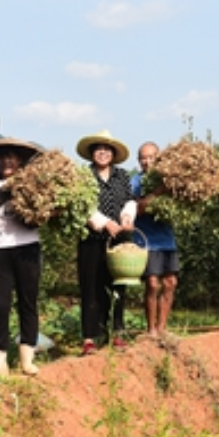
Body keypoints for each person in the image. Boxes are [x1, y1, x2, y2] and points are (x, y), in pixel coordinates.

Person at [0, 137, 44, 376]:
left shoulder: (33, 186)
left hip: (28, 247)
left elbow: (34, 220)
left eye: (13, 157)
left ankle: (26, 359)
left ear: (20, 161)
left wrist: (25, 188)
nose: (8, 161)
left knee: (28, 303)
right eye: (3, 157)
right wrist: (13, 186)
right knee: (0, 304)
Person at [76, 130, 136, 355]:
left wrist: (127, 218)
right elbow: (81, 205)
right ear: (92, 153)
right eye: (98, 149)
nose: (103, 152)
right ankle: (90, 338)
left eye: (107, 149)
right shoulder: (84, 176)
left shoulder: (121, 176)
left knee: (118, 285)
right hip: (92, 240)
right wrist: (103, 223)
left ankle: (117, 333)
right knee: (91, 287)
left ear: (113, 154)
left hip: (120, 240)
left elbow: (130, 201)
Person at [131, 141, 179, 339]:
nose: (147, 161)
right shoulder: (135, 182)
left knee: (170, 283)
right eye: (143, 158)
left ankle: (162, 328)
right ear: (139, 160)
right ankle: (150, 330)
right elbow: (137, 208)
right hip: (146, 241)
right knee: (152, 283)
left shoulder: (169, 180)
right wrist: (158, 191)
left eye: (151, 157)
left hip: (167, 240)